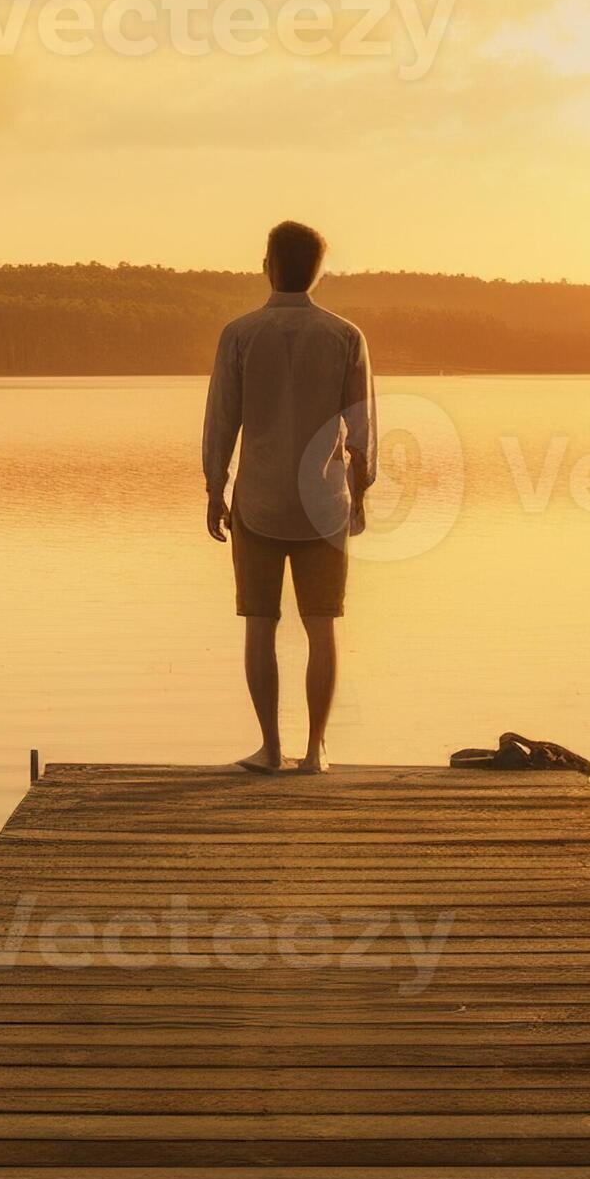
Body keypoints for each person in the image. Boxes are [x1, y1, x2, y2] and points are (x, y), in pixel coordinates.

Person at [202, 221, 377, 775]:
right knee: (322, 625)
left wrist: (214, 486)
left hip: (258, 500)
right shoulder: (345, 336)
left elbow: (221, 420)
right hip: (323, 502)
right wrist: (361, 494)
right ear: (319, 272)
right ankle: (316, 751)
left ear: (267, 267)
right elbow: (362, 428)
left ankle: (272, 748)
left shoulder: (239, 333)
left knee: (261, 624)